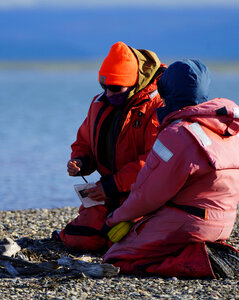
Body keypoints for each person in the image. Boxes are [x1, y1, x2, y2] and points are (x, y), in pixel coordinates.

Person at [101, 59, 239, 279]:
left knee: (117, 258)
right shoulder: (230, 131)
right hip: (224, 224)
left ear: (167, 92)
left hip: (188, 223)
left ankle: (198, 261)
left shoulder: (177, 134)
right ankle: (200, 250)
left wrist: (114, 219)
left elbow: (147, 194)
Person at [54, 41, 167, 251]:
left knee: (123, 238)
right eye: (105, 87)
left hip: (144, 192)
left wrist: (113, 186)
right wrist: (81, 161)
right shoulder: (99, 103)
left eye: (116, 88)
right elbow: (84, 141)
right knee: (80, 238)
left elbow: (154, 161)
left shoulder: (158, 106)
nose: (110, 93)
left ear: (134, 83)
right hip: (108, 189)